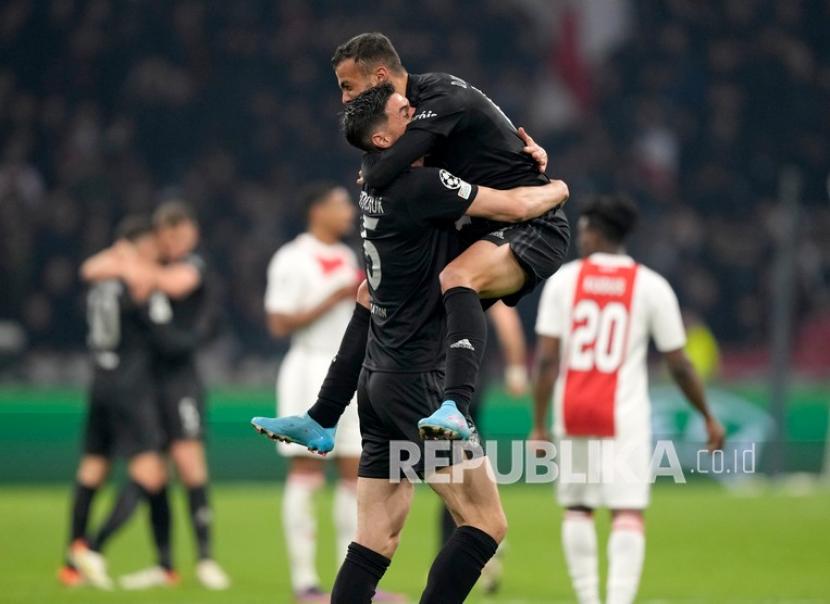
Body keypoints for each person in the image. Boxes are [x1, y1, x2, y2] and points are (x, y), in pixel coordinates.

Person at [255, 82, 568, 603]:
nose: (418, 115)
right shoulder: (423, 188)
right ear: (383, 137)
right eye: (405, 113)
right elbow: (513, 205)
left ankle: (321, 416)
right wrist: (557, 187)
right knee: (486, 523)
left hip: (378, 383)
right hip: (419, 381)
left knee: (375, 539)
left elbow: (367, 293)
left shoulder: (374, 192)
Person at [258, 31, 567, 453]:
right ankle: (322, 417)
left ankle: (455, 406)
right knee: (373, 293)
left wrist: (558, 187)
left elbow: (381, 173)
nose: (346, 99)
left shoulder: (438, 102)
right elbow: (382, 163)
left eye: (349, 86)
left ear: (380, 75)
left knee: (459, 276)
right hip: (482, 218)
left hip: (534, 220)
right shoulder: (405, 113)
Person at [530, 194, 726, 604]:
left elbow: (547, 360)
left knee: (579, 507)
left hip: (574, 409)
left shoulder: (565, 281)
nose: (579, 238)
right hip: (624, 415)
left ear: (597, 233)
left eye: (583, 230)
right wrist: (707, 415)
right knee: (627, 511)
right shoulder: (650, 286)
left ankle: (588, 598)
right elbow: (680, 365)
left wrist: (539, 423)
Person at [76, 202, 230, 590]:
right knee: (154, 474)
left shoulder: (192, 264)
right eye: (169, 235)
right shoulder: (151, 261)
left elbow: (177, 284)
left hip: (181, 380)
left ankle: (206, 559)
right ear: (159, 236)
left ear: (193, 234)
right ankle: (164, 563)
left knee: (188, 461)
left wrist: (133, 266)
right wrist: (134, 264)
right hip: (147, 382)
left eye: (182, 235)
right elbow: (91, 268)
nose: (176, 242)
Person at [265, 183, 401, 602]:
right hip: (307, 367)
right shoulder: (292, 257)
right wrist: (335, 296)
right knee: (306, 470)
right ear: (316, 210)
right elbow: (279, 323)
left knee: (354, 471)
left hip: (349, 369)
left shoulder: (345, 256)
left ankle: (353, 581)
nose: (348, 211)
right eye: (341, 204)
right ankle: (305, 581)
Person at [60, 216, 173, 590]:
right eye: (153, 244)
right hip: (130, 383)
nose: (159, 251)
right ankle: (90, 547)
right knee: (151, 473)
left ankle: (70, 564)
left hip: (100, 379)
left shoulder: (103, 275)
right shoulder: (137, 274)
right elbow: (148, 284)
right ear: (140, 245)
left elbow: (88, 268)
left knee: (92, 469)